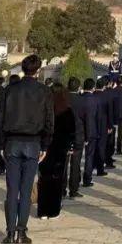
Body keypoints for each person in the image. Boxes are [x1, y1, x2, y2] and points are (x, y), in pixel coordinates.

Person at [0, 54, 54, 244]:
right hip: (32, 143)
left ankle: (10, 232)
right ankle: (21, 231)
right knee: (26, 189)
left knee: (12, 190)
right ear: (38, 71)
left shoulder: (9, 90)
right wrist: (45, 145)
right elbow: (49, 121)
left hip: (12, 143)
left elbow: (1, 119)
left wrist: (1, 145)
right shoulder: (44, 91)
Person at [38, 84, 78, 220]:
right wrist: (71, 147)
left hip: (45, 148)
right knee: (57, 179)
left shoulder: (43, 109)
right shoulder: (67, 111)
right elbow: (72, 132)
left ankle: (42, 211)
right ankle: (53, 210)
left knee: (44, 178)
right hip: (60, 149)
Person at [80, 78, 103, 187]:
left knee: (76, 159)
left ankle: (74, 181)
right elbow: (98, 118)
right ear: (93, 88)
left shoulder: (79, 99)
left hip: (79, 132)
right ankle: (87, 179)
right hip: (92, 132)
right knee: (89, 157)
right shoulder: (95, 100)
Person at [110, 74, 122, 157]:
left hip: (113, 114)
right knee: (120, 133)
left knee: (112, 133)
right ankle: (118, 149)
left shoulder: (112, 91)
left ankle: (111, 149)